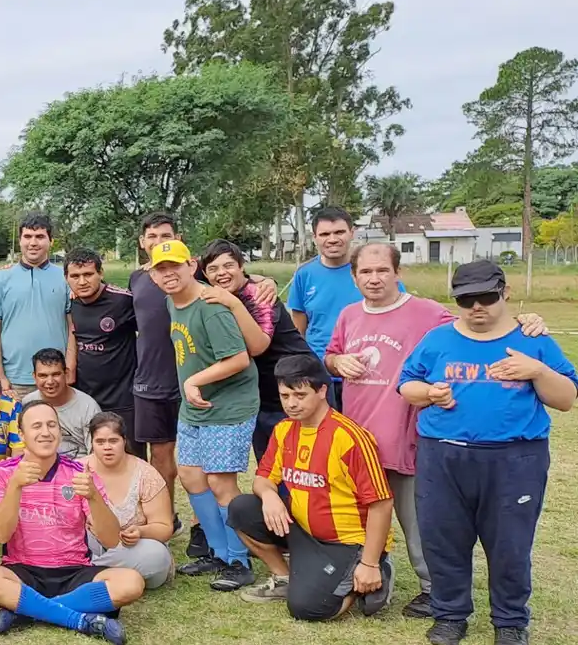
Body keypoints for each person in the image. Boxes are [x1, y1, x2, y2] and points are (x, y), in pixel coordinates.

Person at [327, 244, 549, 619]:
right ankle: (369, 575)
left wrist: (529, 322)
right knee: (360, 517)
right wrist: (336, 360)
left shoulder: (428, 313)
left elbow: (478, 324)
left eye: (382, 270)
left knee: (421, 524)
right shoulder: (349, 315)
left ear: (398, 273)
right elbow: (330, 354)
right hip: (360, 441)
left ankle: (434, 589)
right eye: (365, 272)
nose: (374, 278)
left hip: (409, 440)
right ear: (354, 277)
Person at [399, 260, 577, 645]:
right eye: (466, 300)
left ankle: (511, 622)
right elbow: (407, 384)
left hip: (515, 457)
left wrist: (536, 370)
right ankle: (449, 614)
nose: (477, 307)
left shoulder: (533, 340)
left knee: (510, 544)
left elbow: (565, 399)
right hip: (443, 454)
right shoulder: (438, 339)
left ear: (505, 293)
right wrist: (429, 394)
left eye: (486, 298)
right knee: (444, 538)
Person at [227, 356, 396, 621]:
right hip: (304, 532)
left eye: (300, 395)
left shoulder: (349, 437)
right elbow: (262, 478)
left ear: (322, 391)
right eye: (285, 395)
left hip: (347, 542)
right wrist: (269, 494)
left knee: (308, 609)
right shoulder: (283, 429)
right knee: (241, 509)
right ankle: (284, 578)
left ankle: (375, 572)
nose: (291, 403)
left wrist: (370, 563)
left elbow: (382, 504)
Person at [0, 402, 144, 645]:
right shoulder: (2, 473)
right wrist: (15, 487)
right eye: (36, 426)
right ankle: (80, 620)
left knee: (132, 582)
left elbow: (111, 539)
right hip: (23, 571)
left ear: (59, 432)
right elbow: (0, 535)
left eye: (52, 425)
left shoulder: (80, 473)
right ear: (22, 434)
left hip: (73, 571)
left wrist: (94, 497)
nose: (45, 432)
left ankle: (27, 612)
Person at [150, 240, 259, 591]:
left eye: (175, 266)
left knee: (220, 483)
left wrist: (195, 380)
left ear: (191, 265)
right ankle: (218, 551)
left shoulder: (210, 306)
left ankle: (240, 561)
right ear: (153, 274)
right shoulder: (172, 302)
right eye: (161, 269)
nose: (169, 274)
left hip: (228, 405)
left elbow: (240, 358)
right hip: (195, 406)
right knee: (191, 476)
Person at [197, 240, 311, 466]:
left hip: (298, 385)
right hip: (262, 394)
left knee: (302, 465)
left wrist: (236, 303)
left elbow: (259, 346)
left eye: (228, 265)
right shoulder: (215, 289)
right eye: (213, 269)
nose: (221, 273)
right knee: (269, 466)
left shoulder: (259, 296)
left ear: (241, 266)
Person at [287, 206, 400, 410]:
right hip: (320, 377)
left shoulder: (373, 273)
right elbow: (298, 333)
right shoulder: (304, 275)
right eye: (325, 234)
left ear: (351, 233)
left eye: (339, 232)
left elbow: (399, 317)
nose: (332, 239)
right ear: (315, 237)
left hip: (370, 374)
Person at [128, 213, 184, 536]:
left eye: (166, 235)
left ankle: (205, 526)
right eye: (152, 236)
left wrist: (265, 281)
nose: (159, 241)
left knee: (191, 461)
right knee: (159, 456)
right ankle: (167, 518)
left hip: (188, 381)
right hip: (149, 381)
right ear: (142, 242)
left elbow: (232, 275)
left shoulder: (193, 270)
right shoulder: (136, 279)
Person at [80, 413, 175, 589]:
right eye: (100, 442)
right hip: (91, 545)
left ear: (124, 440)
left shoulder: (146, 474)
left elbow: (164, 527)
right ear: (91, 443)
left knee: (157, 557)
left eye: (113, 441)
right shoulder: (78, 470)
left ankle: (86, 573)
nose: (107, 447)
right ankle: (98, 573)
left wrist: (140, 531)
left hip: (133, 549)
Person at [63, 247, 141, 456]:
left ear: (100, 273)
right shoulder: (70, 303)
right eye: (75, 276)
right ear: (67, 278)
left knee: (130, 457)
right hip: (86, 398)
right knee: (92, 459)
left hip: (124, 399)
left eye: (88, 274)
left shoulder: (123, 301)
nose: (82, 282)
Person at [0, 212, 67, 397]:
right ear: (20, 240)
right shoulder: (1, 279)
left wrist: (70, 369)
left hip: (56, 378)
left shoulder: (66, 277)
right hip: (15, 381)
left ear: (51, 241)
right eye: (27, 236)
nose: (33, 242)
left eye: (40, 237)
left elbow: (72, 327)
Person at [24, 348, 101, 458]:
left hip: (79, 469)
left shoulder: (88, 407)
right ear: (34, 377)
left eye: (55, 374)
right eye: (43, 376)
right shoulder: (28, 403)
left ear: (66, 373)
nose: (50, 382)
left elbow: (96, 454)